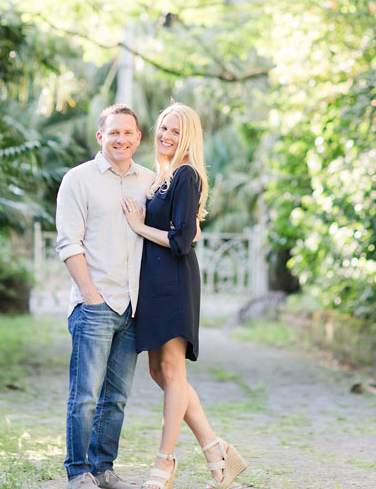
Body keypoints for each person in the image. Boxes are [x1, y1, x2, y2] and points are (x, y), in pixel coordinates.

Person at [121, 103, 248, 489]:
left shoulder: (187, 175)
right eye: (162, 128)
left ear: (188, 136)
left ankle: (165, 463)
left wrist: (139, 227)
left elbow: (180, 243)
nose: (166, 136)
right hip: (156, 284)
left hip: (174, 283)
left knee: (174, 372)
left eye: (175, 131)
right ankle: (217, 451)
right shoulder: (165, 176)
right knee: (160, 371)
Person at [56, 104, 157, 489]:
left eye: (128, 133)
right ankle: (78, 471)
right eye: (113, 132)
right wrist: (90, 295)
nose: (121, 139)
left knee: (116, 399)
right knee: (85, 396)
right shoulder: (78, 180)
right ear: (101, 137)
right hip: (95, 305)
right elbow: (69, 243)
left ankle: (103, 468)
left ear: (138, 138)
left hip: (133, 307)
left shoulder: (148, 181)